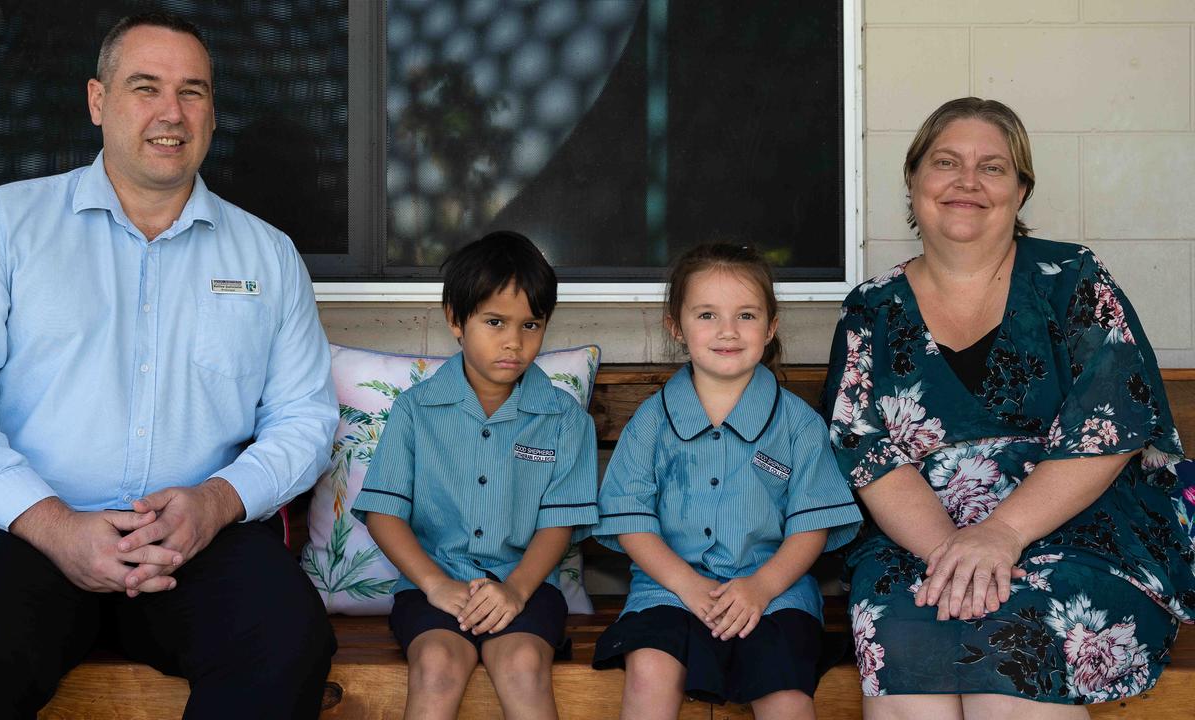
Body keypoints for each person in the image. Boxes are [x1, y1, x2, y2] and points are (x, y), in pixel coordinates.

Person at [0, 12, 338, 719]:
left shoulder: (268, 256)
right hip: (21, 534)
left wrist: (217, 502)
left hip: (198, 545)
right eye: (146, 87)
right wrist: (52, 524)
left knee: (285, 638)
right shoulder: (0, 226)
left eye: (193, 91)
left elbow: (305, 418)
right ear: (97, 100)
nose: (171, 112)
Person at [824, 97, 1195, 719]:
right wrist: (952, 552)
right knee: (903, 635)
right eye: (946, 162)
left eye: (992, 167)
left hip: (1079, 530)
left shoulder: (1070, 276)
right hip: (919, 538)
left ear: (1021, 190)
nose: (967, 182)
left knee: (1014, 647)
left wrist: (999, 536)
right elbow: (864, 451)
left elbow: (1112, 426)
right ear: (913, 178)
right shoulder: (871, 306)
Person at [591, 243, 862, 720]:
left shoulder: (797, 424)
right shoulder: (652, 422)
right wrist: (688, 586)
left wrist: (760, 587)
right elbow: (631, 520)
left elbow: (811, 528)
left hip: (776, 592)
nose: (728, 332)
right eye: (707, 315)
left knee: (787, 694)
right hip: (668, 588)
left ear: (771, 326)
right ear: (676, 326)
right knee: (651, 671)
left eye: (747, 315)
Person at [351, 231, 599, 720]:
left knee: (525, 665)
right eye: (495, 322)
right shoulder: (416, 410)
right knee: (437, 666)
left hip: (526, 588)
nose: (514, 341)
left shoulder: (564, 419)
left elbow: (558, 525)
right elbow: (383, 512)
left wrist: (516, 590)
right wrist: (436, 585)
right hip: (432, 586)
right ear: (455, 320)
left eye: (531, 325)